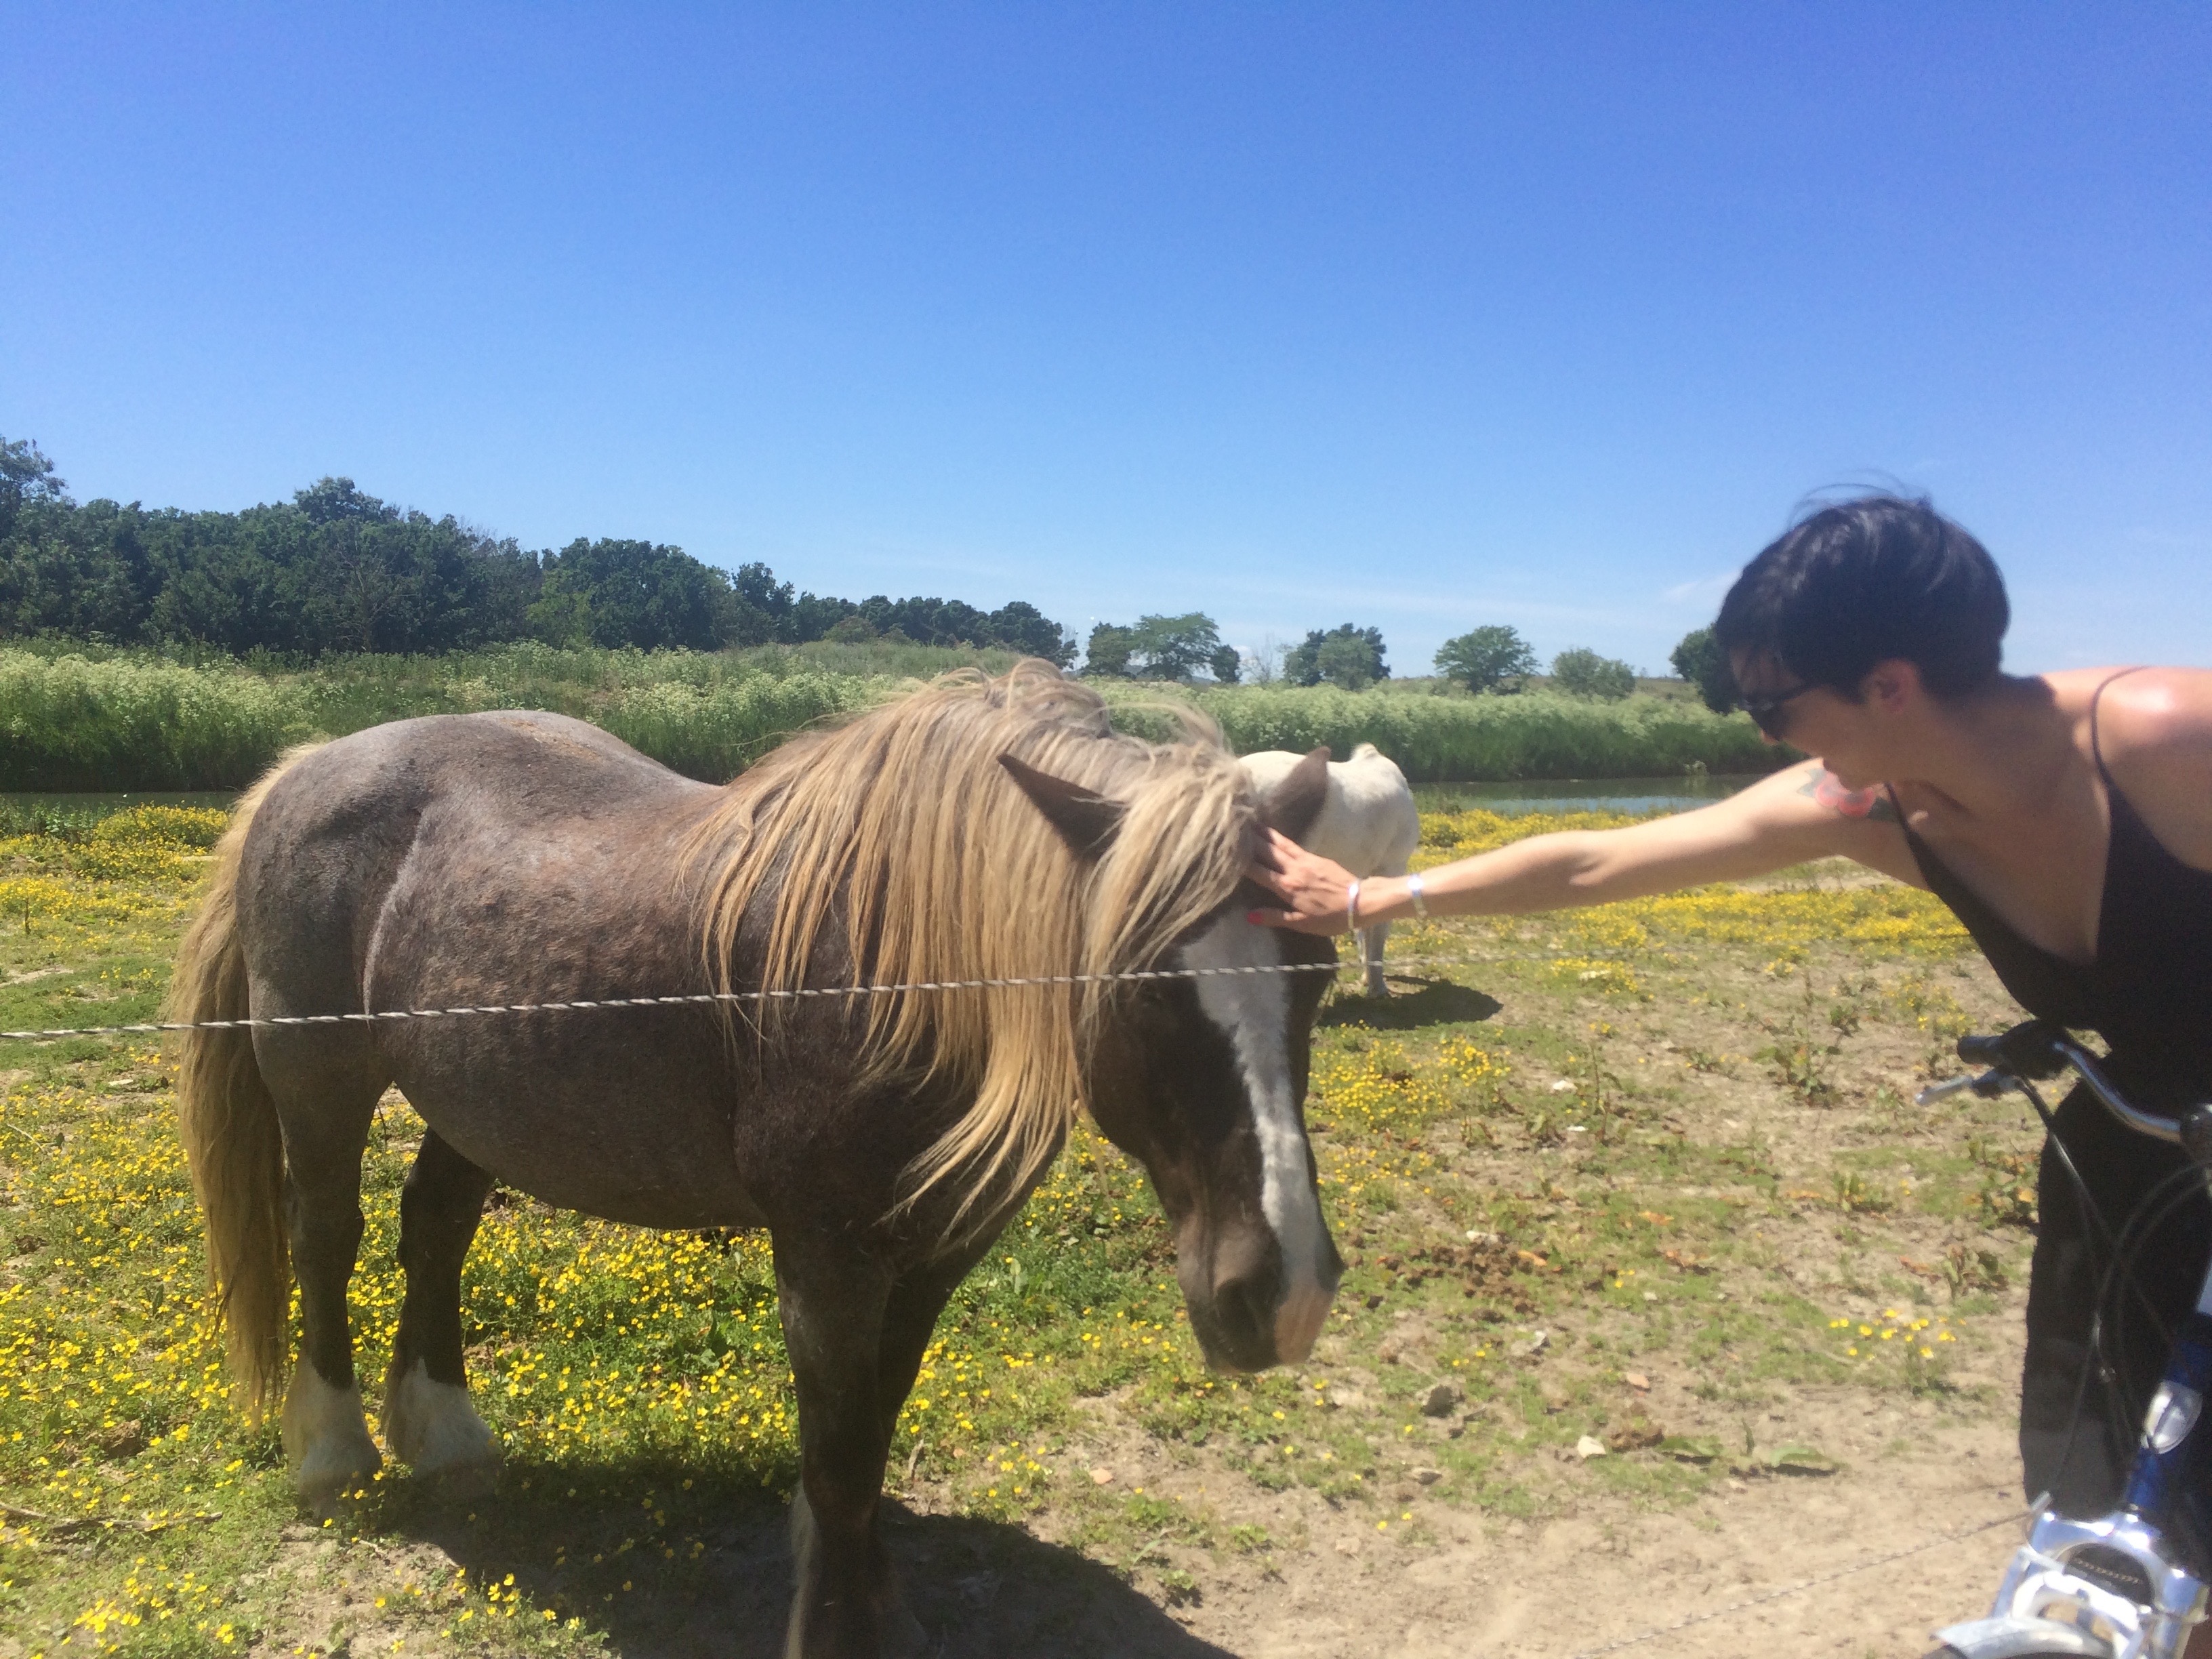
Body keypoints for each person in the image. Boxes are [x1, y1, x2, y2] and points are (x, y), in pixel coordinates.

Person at [1248, 495, 2212, 1538]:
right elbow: (1601, 858)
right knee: (2125, 1514)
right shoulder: (1882, 805)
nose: (1757, 733)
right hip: (2145, 1156)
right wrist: (1373, 898)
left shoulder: (2167, 743)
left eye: (1772, 706)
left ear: (1889, 685)